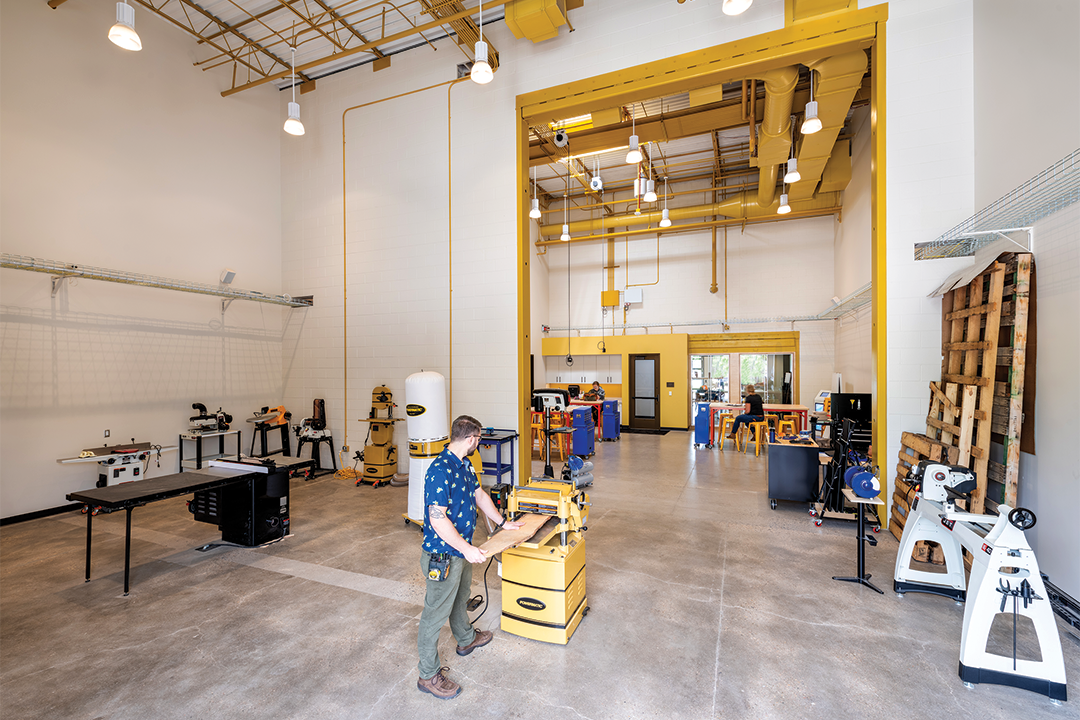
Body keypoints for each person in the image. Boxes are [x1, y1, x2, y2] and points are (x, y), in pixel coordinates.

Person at [417, 415, 523, 700]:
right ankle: (427, 675)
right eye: (478, 438)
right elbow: (436, 519)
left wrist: (503, 523)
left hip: (460, 550)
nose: (479, 443)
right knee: (434, 615)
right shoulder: (440, 469)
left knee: (460, 596)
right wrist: (466, 549)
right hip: (444, 555)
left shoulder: (465, 464)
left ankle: (465, 639)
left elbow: (479, 495)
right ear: (470, 438)